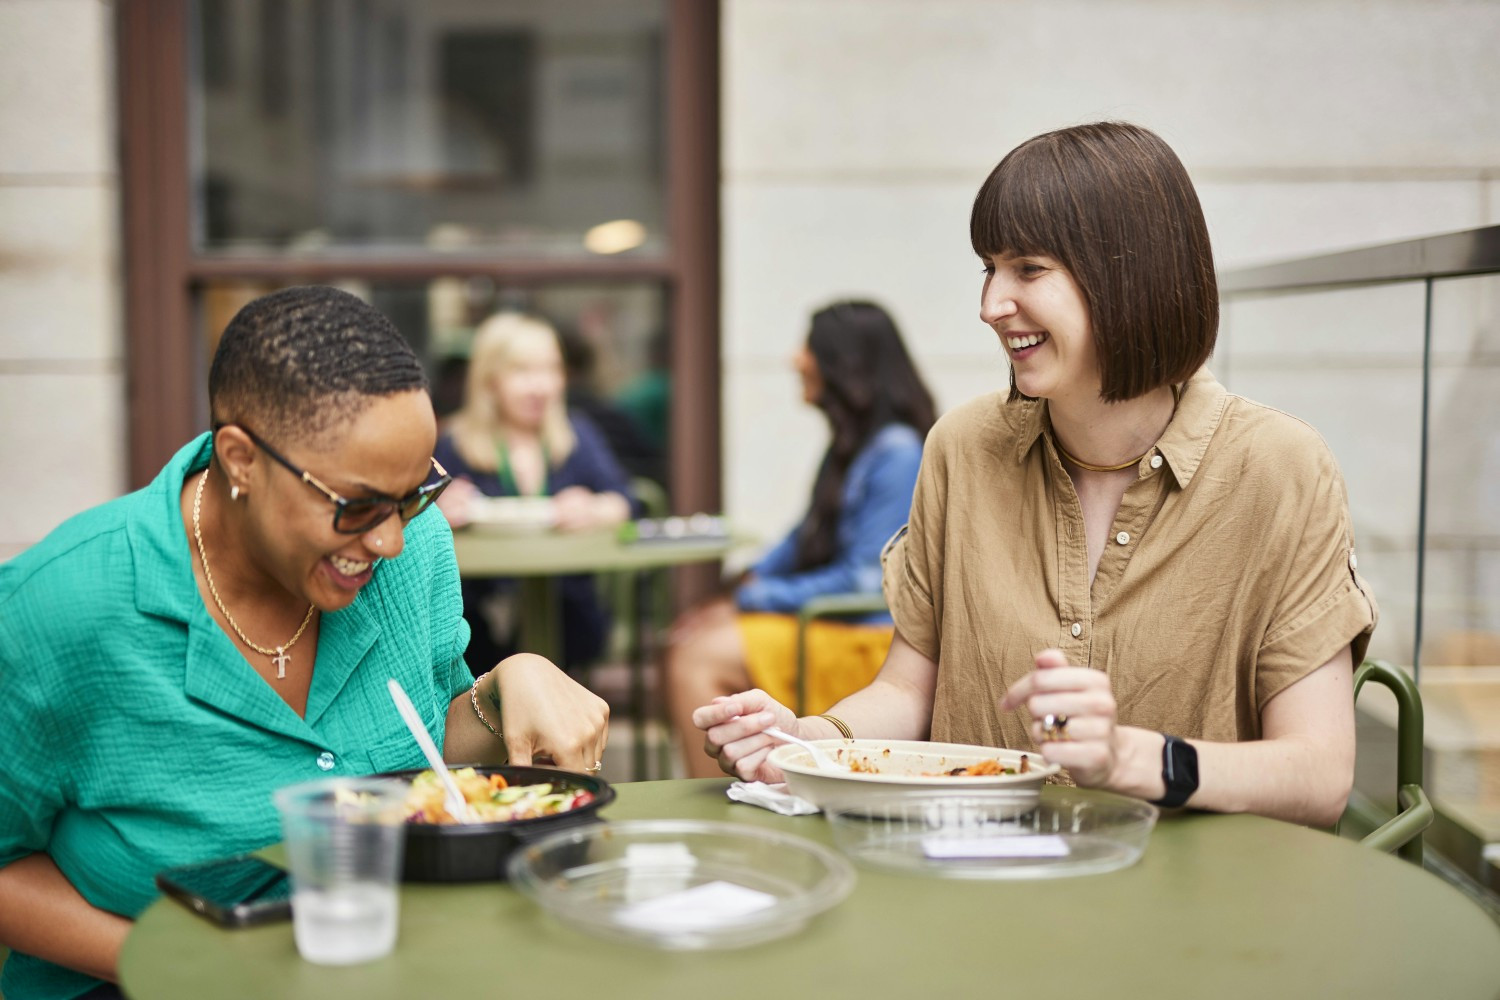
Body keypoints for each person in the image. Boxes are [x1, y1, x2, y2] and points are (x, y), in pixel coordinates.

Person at [694, 122, 1378, 826]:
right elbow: (906, 691)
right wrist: (809, 743)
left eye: (1028, 269)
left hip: (1195, 912)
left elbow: (1319, 774)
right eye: (989, 268)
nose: (990, 305)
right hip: (973, 883)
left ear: (1129, 274)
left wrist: (1129, 760)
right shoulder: (960, 448)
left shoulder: (1280, 468)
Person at [0, 286, 609, 1000]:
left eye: (414, 493)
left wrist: (508, 685)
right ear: (240, 460)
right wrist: (179, 965)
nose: (390, 540)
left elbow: (419, 751)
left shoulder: (416, 549)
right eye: (356, 507)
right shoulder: (60, 608)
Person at [667, 301, 935, 779]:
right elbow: (803, 535)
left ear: (844, 363)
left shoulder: (898, 452)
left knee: (694, 660)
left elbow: (866, 581)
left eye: (809, 347)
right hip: (834, 624)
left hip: (865, 636)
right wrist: (740, 589)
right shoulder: (854, 445)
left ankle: (719, 807)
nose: (796, 359)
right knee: (694, 638)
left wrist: (754, 598)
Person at [434, 313, 637, 674]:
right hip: (479, 617)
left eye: (551, 370)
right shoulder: (452, 443)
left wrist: (596, 507)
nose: (541, 386)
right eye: (523, 372)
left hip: (568, 612)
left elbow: (626, 499)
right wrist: (436, 510)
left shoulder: (578, 435)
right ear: (490, 381)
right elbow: (407, 516)